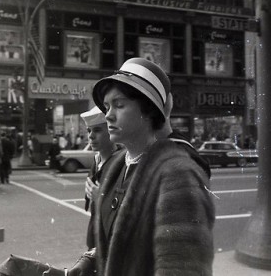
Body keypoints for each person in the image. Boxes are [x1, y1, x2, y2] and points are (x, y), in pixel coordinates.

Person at [74, 57, 215, 275]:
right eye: (107, 106)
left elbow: (181, 268)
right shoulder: (118, 165)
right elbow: (118, 240)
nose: (108, 115)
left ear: (148, 111)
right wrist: (92, 258)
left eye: (119, 105)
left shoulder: (177, 174)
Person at [80, 106, 124, 250]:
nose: (91, 136)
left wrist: (101, 199)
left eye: (97, 130)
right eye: (89, 131)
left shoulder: (123, 164)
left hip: (111, 244)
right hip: (95, 238)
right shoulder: (97, 160)